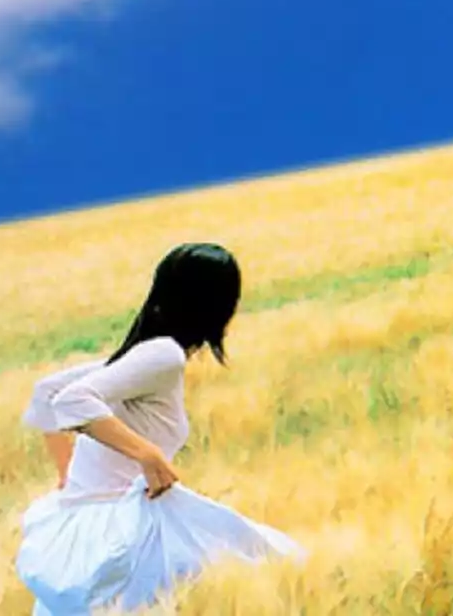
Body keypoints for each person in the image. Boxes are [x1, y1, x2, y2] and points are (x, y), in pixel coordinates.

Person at [16, 242, 306, 614]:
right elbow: (70, 400)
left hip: (88, 523)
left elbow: (47, 393)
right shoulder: (163, 354)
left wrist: (67, 477)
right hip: (123, 530)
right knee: (269, 559)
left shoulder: (141, 354)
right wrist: (147, 454)